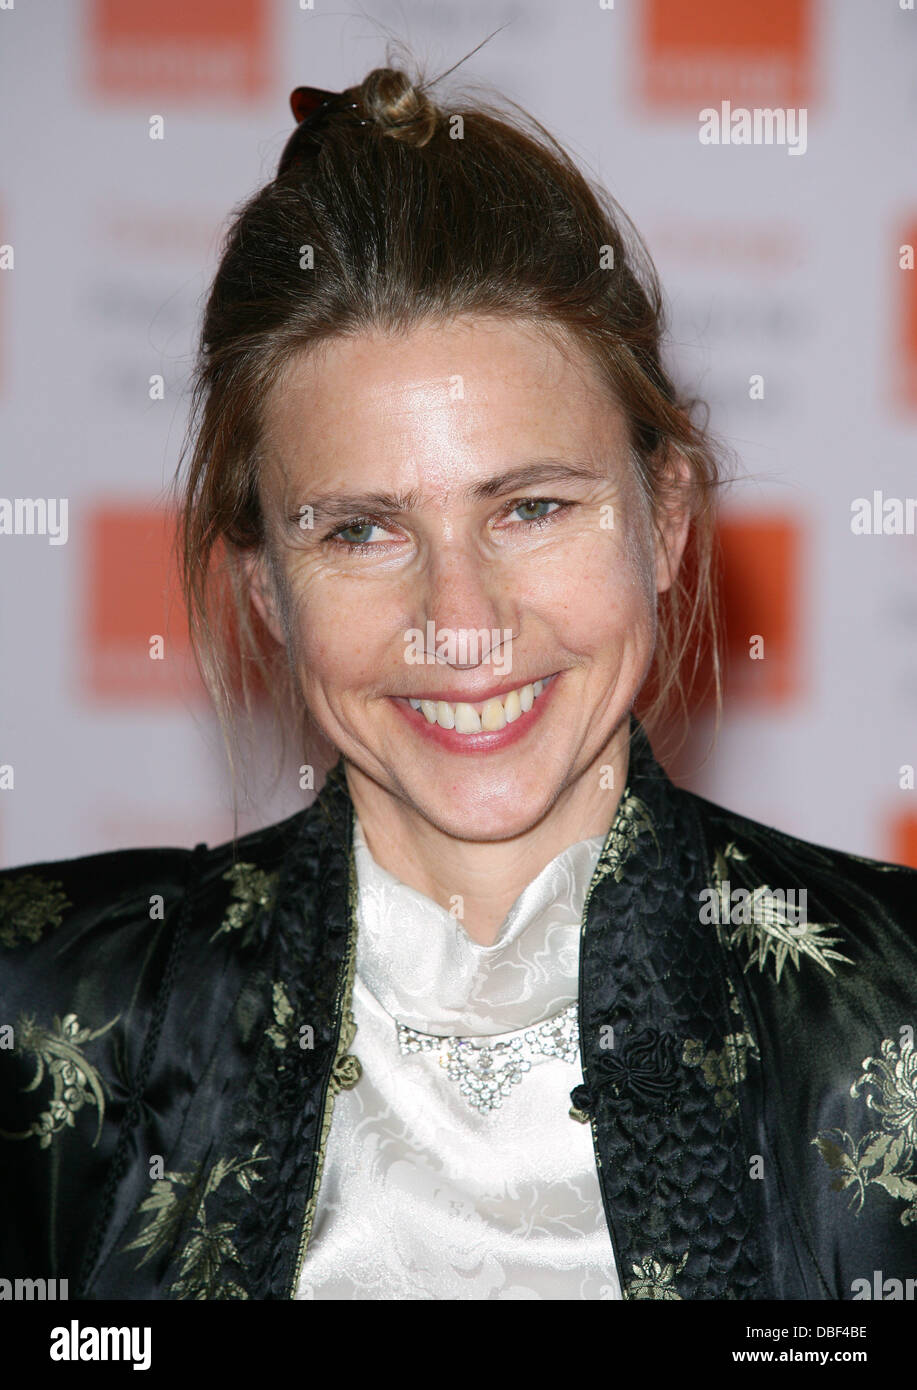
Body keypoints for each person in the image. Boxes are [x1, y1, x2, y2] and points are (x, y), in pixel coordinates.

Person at [1, 63, 915, 1302]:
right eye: (361, 532)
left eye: (530, 507)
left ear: (667, 523)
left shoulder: (897, 1009)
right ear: (266, 586)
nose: (459, 623)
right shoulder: (46, 1014)